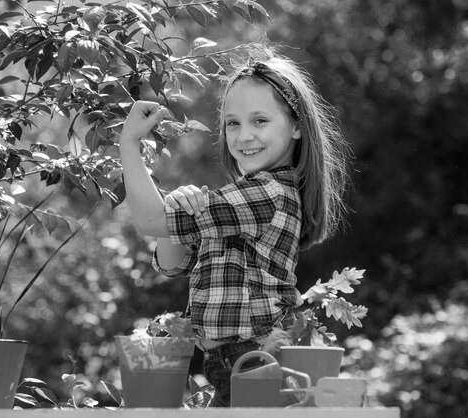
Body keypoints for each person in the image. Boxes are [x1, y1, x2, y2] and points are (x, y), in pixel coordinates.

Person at [118, 44, 350, 407]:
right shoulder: (243, 198)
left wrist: (130, 144)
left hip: (251, 359)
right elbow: (172, 263)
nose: (244, 136)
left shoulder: (266, 194)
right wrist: (177, 203)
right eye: (233, 123)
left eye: (260, 120)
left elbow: (150, 220)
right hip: (234, 363)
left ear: (296, 127)